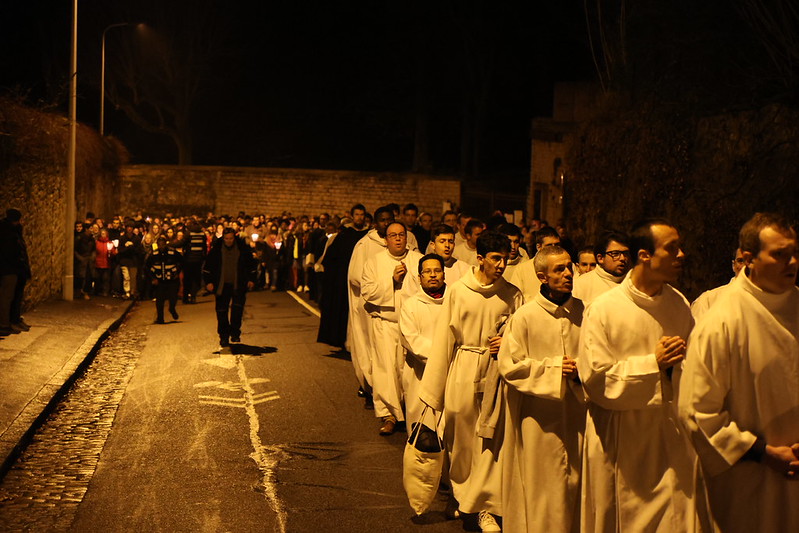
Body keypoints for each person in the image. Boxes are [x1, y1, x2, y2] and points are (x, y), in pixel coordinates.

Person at [679, 213, 799, 533]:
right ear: (748, 259)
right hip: (747, 481)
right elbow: (695, 412)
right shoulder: (722, 320)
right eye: (779, 254)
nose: (792, 261)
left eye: (795, 252)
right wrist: (761, 452)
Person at [578, 219, 697, 533]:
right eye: (672, 248)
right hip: (620, 438)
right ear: (644, 255)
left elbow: (693, 371)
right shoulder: (604, 309)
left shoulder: (679, 304)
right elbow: (595, 380)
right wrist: (653, 363)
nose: (681, 255)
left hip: (668, 436)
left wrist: (677, 367)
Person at [419, 231, 524, 533]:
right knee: (461, 436)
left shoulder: (513, 294)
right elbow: (444, 339)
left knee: (491, 441)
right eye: (496, 258)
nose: (502, 264)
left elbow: (522, 333)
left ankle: (485, 508)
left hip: (496, 371)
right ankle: (461, 494)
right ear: (480, 258)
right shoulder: (459, 291)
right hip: (464, 365)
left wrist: (508, 342)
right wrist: (433, 393)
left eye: (505, 258)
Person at [498, 245, 586, 533]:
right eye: (558, 269)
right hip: (537, 418)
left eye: (569, 267)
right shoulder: (525, 316)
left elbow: (595, 357)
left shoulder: (582, 312)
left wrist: (580, 372)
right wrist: (553, 368)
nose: (567, 274)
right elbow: (511, 367)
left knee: (574, 481)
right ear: (541, 276)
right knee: (541, 485)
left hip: (576, 413)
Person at [361, 221, 423, 435]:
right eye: (393, 235)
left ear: (407, 238)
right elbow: (367, 292)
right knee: (386, 371)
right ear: (385, 240)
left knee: (408, 372)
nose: (398, 239)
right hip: (386, 323)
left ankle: (413, 413)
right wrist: (392, 281)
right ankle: (389, 414)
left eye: (401, 235)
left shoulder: (418, 260)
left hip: (413, 326)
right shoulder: (374, 262)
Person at [347, 205, 394, 408]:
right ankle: (370, 387)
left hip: (394, 307)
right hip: (370, 306)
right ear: (375, 223)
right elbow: (356, 276)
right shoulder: (365, 244)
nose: (386, 223)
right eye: (382, 220)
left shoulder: (402, 240)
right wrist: (384, 283)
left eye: (389, 220)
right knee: (370, 348)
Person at [400, 253, 447, 431]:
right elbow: (411, 339)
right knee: (423, 430)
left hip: (450, 371)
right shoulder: (411, 305)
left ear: (444, 274)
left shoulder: (455, 301)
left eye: (437, 271)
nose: (433, 275)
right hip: (420, 373)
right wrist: (440, 357)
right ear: (419, 277)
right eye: (427, 271)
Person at [203, 227, 258, 347]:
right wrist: (209, 282)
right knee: (221, 313)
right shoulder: (216, 250)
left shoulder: (242, 249)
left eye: (231, 238)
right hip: (221, 286)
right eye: (226, 238)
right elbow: (208, 267)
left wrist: (251, 279)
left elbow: (252, 265)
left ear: (234, 238)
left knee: (237, 311)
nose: (228, 241)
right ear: (223, 238)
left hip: (238, 285)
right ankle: (223, 336)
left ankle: (235, 332)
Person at [572, 230, 631, 305]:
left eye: (626, 253)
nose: (622, 258)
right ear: (600, 258)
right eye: (615, 254)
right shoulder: (580, 285)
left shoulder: (635, 282)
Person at [689, 247, 745, 322]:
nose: (745, 266)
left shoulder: (764, 301)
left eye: (750, 261)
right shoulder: (707, 301)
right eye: (741, 261)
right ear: (733, 265)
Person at [507, 225, 561, 301]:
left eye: (557, 245)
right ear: (539, 247)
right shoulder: (522, 270)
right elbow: (514, 299)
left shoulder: (568, 267)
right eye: (549, 245)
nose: (554, 249)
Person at [0, 209, 31, 335]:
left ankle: (12, 320)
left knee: (15, 296)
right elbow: (10, 252)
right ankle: (4, 324)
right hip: (9, 269)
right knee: (6, 297)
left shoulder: (14, 231)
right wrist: (18, 264)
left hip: (15, 269)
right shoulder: (7, 233)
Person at [146, 236, 183, 324]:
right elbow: (147, 267)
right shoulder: (153, 254)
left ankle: (172, 308)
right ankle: (160, 318)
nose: (161, 246)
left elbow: (182, 261)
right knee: (159, 300)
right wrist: (153, 278)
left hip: (172, 279)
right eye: (159, 245)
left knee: (173, 297)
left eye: (163, 244)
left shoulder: (172, 252)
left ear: (165, 244)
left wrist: (177, 272)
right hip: (160, 280)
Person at [182, 220, 206, 304]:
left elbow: (182, 243)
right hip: (198, 260)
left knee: (187, 279)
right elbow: (204, 247)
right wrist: (204, 257)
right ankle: (193, 296)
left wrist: (169, 244)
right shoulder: (202, 234)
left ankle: (185, 298)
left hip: (189, 259)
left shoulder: (189, 233)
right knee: (196, 280)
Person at [117, 223, 143, 300]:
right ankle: (127, 292)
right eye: (128, 227)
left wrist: (131, 247)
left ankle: (132, 291)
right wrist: (127, 248)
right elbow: (120, 250)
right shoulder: (122, 238)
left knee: (133, 277)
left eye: (131, 227)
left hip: (133, 261)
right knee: (126, 277)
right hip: (124, 260)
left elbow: (139, 250)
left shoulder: (137, 239)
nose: (129, 229)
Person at [93, 228, 116, 296]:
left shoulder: (109, 243)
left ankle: (105, 291)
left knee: (106, 279)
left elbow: (113, 253)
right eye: (102, 234)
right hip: (98, 263)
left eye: (104, 234)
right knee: (97, 278)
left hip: (106, 263)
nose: (103, 235)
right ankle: (97, 291)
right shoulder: (97, 242)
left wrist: (111, 252)